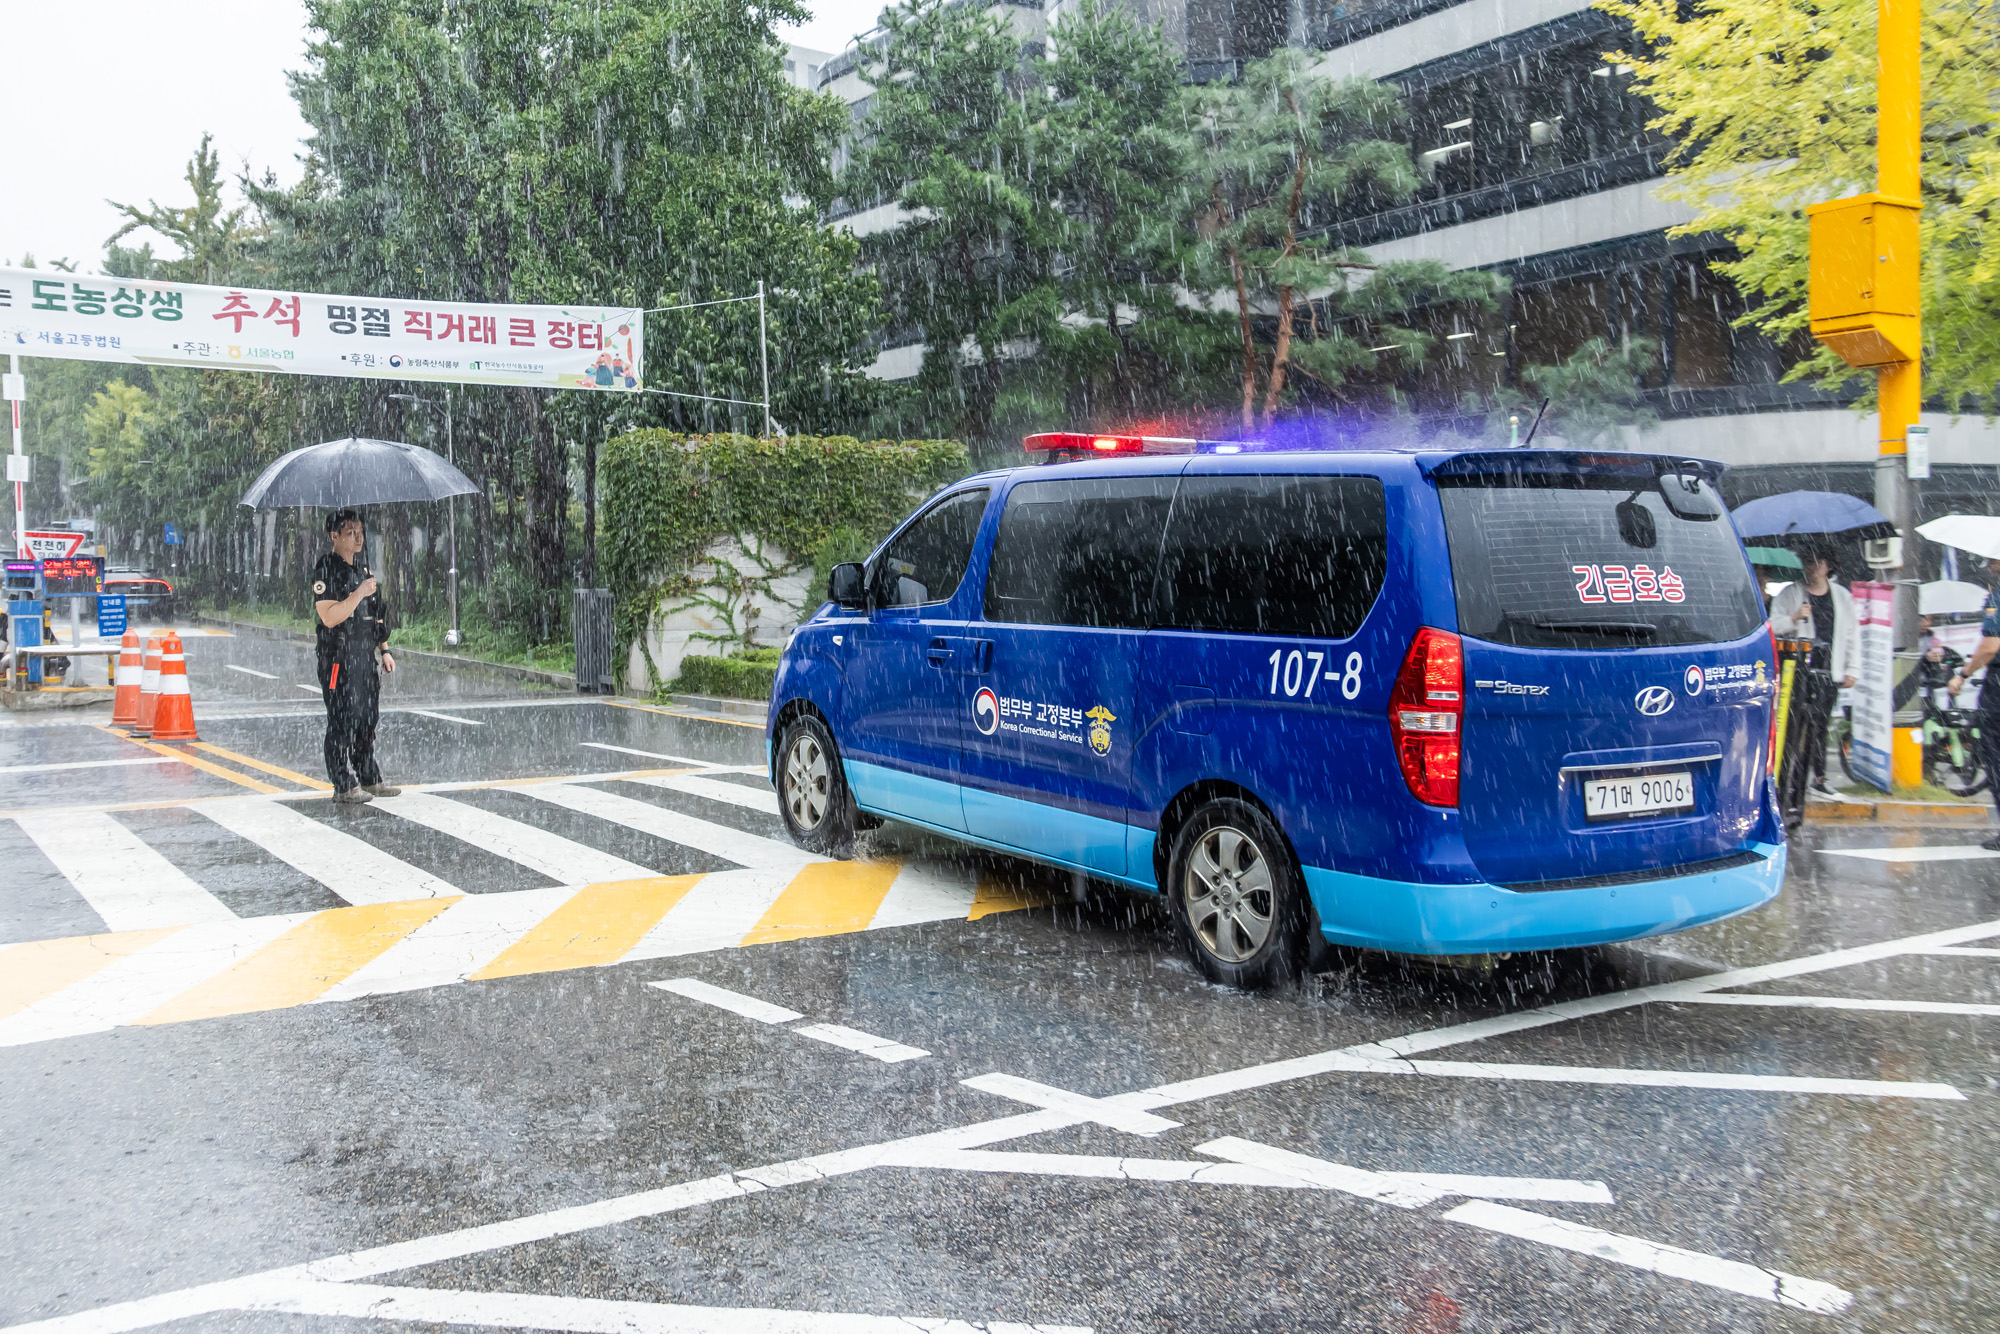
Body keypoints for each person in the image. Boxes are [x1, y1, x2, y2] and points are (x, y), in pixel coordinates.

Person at [311, 509, 400, 803]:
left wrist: (383, 649)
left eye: (360, 530)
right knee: (342, 720)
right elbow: (329, 616)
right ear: (334, 536)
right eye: (350, 532)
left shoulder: (362, 568)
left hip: (364, 656)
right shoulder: (326, 568)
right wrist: (359, 593)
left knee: (366, 719)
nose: (358, 537)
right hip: (337, 657)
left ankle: (368, 777)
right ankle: (343, 783)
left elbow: (375, 615)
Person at [1769, 548, 1857, 798]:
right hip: (1798, 670)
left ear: (1828, 566)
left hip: (1830, 670)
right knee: (1793, 725)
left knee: (1820, 725)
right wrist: (1794, 618)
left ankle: (1819, 778)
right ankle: (1786, 778)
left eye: (1818, 561)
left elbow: (1852, 635)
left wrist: (1852, 669)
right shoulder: (1791, 593)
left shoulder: (1842, 597)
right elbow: (1773, 625)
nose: (1813, 566)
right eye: (1808, 561)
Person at [1944, 557, 2000, 851]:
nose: (1989, 560)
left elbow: (1991, 646)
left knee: (1997, 758)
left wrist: (1963, 675)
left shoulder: (1997, 594)